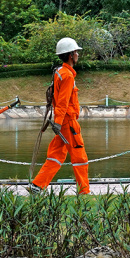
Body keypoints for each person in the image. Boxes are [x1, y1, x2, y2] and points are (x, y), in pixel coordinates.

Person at [29, 37, 90, 195]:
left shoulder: (60, 72)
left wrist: (57, 122)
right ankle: (84, 191)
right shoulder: (67, 76)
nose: (78, 55)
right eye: (76, 52)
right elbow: (62, 102)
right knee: (80, 158)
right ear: (70, 55)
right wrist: (58, 122)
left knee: (56, 155)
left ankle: (37, 185)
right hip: (68, 122)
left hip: (63, 122)